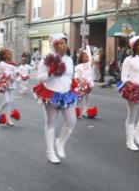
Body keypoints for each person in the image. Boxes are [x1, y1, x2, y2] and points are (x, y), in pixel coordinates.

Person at [33, 34, 78, 164]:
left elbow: (70, 76)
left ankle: (60, 142)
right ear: (54, 45)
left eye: (65, 43)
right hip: (51, 93)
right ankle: (50, 152)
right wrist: (50, 72)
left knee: (72, 121)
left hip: (66, 93)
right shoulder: (46, 60)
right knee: (50, 123)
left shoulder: (69, 59)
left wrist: (74, 84)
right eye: (61, 43)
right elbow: (39, 78)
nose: (64, 46)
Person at [0, 49, 20, 126]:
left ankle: (9, 120)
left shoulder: (13, 64)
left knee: (11, 102)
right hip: (4, 84)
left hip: (12, 84)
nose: (10, 55)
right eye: (8, 53)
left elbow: (16, 74)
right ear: (4, 55)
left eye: (11, 53)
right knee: (7, 101)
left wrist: (15, 76)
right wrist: (1, 78)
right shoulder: (1, 64)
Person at [74, 40, 97, 118]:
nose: (87, 57)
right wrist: (82, 82)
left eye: (87, 56)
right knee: (79, 98)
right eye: (85, 57)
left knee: (88, 98)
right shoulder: (78, 67)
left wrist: (87, 45)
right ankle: (74, 109)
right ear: (81, 58)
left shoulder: (89, 64)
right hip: (82, 86)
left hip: (89, 85)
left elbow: (90, 55)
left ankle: (85, 111)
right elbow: (76, 77)